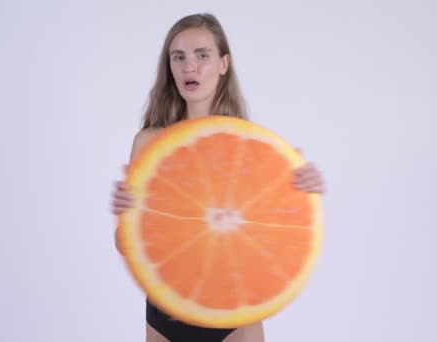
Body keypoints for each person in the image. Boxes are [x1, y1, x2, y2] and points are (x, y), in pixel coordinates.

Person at [110, 13, 326, 342]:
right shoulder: (149, 144)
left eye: (202, 55)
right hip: (165, 315)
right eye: (178, 57)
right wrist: (125, 215)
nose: (189, 67)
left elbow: (274, 233)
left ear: (224, 63)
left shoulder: (248, 148)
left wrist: (305, 191)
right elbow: (128, 247)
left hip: (234, 317)